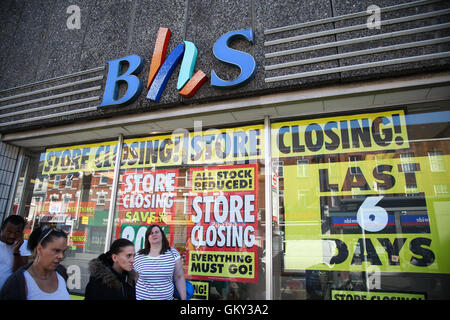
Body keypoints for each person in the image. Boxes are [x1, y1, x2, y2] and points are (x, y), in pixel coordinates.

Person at [0, 225, 70, 300]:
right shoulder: (18, 282)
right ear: (39, 249)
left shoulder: (61, 273)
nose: (61, 256)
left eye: (63, 251)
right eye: (56, 251)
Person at [133, 225, 186, 300]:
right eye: (151, 233)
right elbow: (134, 278)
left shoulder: (172, 253)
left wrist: (183, 298)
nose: (154, 234)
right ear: (147, 238)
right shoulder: (139, 255)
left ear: (162, 235)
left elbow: (179, 277)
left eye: (157, 232)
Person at [0, 215, 31, 290]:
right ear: (2, 229)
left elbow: (19, 272)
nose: (12, 236)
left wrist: (16, 250)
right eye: (9, 232)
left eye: (17, 232)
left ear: (21, 233)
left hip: (9, 291)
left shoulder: (23, 245)